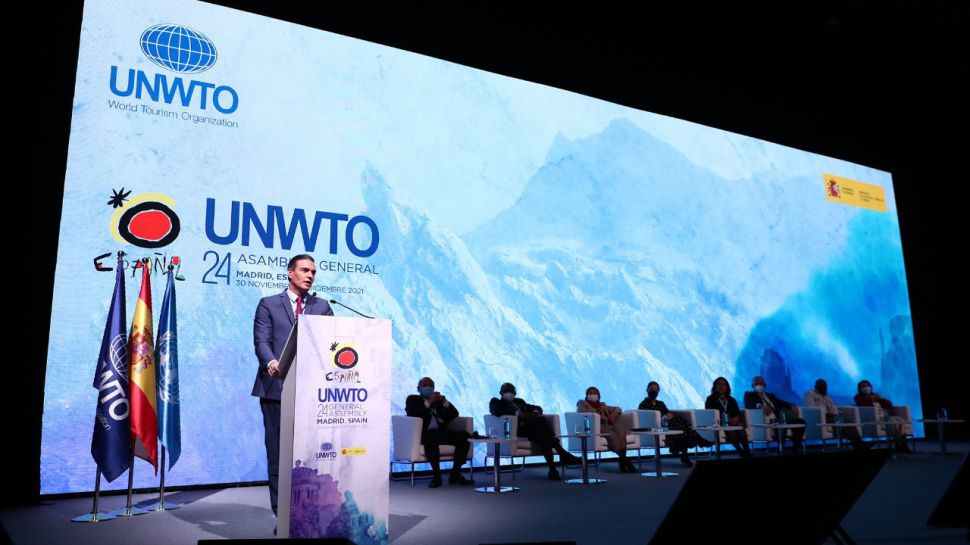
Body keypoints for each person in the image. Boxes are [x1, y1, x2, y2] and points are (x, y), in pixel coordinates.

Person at [252, 254, 333, 517]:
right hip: (276, 390)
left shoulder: (322, 306)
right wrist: (271, 362)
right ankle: (283, 515)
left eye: (313, 272)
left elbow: (332, 342)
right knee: (278, 456)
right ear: (290, 273)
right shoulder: (268, 304)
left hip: (311, 395)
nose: (310, 275)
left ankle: (307, 513)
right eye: (304, 270)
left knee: (309, 458)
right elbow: (261, 341)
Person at [489, 383, 582, 480]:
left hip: (531, 429)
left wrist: (535, 412)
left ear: (515, 393)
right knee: (541, 428)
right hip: (515, 430)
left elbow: (538, 408)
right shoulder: (495, 402)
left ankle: (553, 470)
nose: (509, 393)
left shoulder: (519, 402)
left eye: (511, 391)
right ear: (501, 392)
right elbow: (496, 410)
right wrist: (518, 413)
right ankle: (562, 454)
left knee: (542, 431)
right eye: (506, 391)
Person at [405, 377, 474, 487]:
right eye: (425, 385)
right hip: (423, 434)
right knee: (431, 437)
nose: (429, 387)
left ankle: (455, 474)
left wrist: (443, 400)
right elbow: (413, 412)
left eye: (431, 385)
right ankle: (437, 476)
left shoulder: (438, 403)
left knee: (465, 436)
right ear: (419, 388)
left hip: (440, 433)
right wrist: (428, 402)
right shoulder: (413, 399)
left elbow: (454, 413)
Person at [637, 381, 713, 467]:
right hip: (657, 427)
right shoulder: (643, 404)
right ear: (647, 389)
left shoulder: (660, 403)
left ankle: (686, 453)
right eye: (651, 389)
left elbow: (667, 412)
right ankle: (698, 441)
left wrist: (669, 416)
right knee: (683, 427)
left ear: (658, 391)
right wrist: (664, 417)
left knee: (682, 427)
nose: (653, 391)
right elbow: (646, 418)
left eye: (656, 390)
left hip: (668, 425)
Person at [576, 386, 637, 473]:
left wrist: (614, 415)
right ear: (586, 395)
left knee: (620, 432)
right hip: (595, 428)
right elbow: (582, 412)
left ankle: (622, 460)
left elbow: (618, 409)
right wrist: (600, 417)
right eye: (590, 393)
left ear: (599, 396)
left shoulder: (603, 406)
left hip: (608, 427)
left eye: (595, 393)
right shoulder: (583, 404)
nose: (593, 395)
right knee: (611, 435)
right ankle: (625, 460)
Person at [743, 375, 806, 453]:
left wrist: (791, 405)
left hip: (781, 416)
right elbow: (748, 404)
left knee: (801, 422)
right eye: (756, 384)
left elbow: (781, 402)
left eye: (761, 384)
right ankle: (781, 447)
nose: (759, 386)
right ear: (752, 386)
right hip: (770, 419)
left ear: (765, 385)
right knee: (780, 422)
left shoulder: (770, 395)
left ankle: (795, 449)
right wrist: (760, 405)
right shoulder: (749, 395)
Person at [803, 378, 867, 450]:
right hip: (819, 417)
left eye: (825, 386)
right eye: (822, 386)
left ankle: (859, 444)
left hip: (831, 416)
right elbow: (811, 408)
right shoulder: (810, 394)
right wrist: (823, 412)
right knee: (842, 421)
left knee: (848, 421)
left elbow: (833, 407)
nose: (824, 388)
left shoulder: (827, 396)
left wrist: (837, 414)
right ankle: (859, 445)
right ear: (816, 386)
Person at [854, 379, 910, 452]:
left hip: (884, 417)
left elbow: (889, 405)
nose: (867, 388)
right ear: (860, 389)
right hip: (874, 418)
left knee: (900, 419)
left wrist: (881, 399)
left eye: (868, 386)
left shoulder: (875, 395)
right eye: (864, 386)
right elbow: (865, 406)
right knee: (893, 421)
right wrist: (870, 399)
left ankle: (902, 444)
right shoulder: (859, 398)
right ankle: (899, 445)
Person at [704, 377, 752, 457]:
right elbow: (710, 414)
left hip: (733, 422)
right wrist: (724, 420)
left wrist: (735, 418)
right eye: (719, 384)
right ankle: (740, 450)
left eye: (724, 384)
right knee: (729, 429)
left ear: (727, 387)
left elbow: (737, 413)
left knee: (741, 428)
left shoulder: (731, 399)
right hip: (719, 424)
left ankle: (747, 450)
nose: (721, 386)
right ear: (715, 387)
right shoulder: (710, 399)